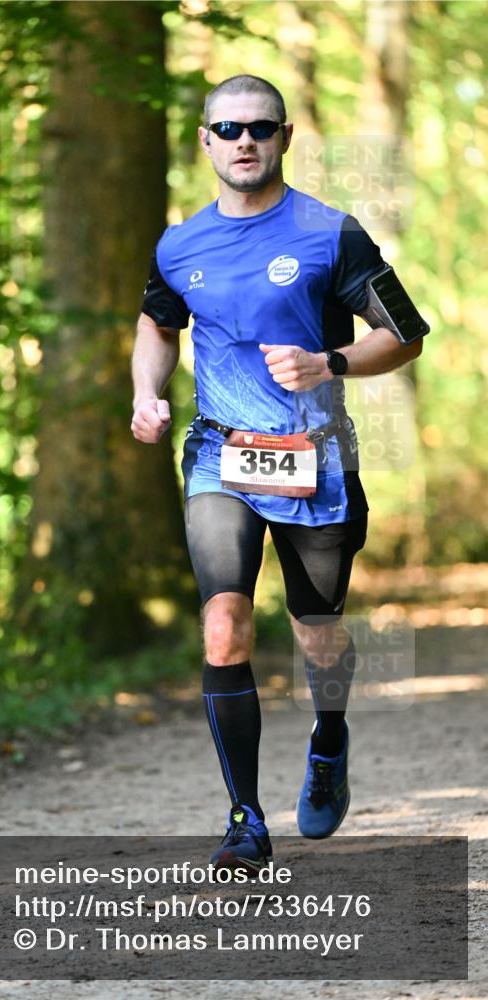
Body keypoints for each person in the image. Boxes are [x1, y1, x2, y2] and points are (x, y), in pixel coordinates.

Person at [130, 75, 428, 873]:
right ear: (205, 140)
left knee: (316, 635)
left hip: (315, 459)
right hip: (219, 457)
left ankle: (328, 739)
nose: (243, 141)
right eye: (227, 129)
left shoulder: (331, 233)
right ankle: (245, 819)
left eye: (259, 127)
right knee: (223, 625)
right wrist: (145, 392)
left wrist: (330, 361)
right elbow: (157, 324)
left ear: (284, 137)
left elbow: (404, 332)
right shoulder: (178, 244)